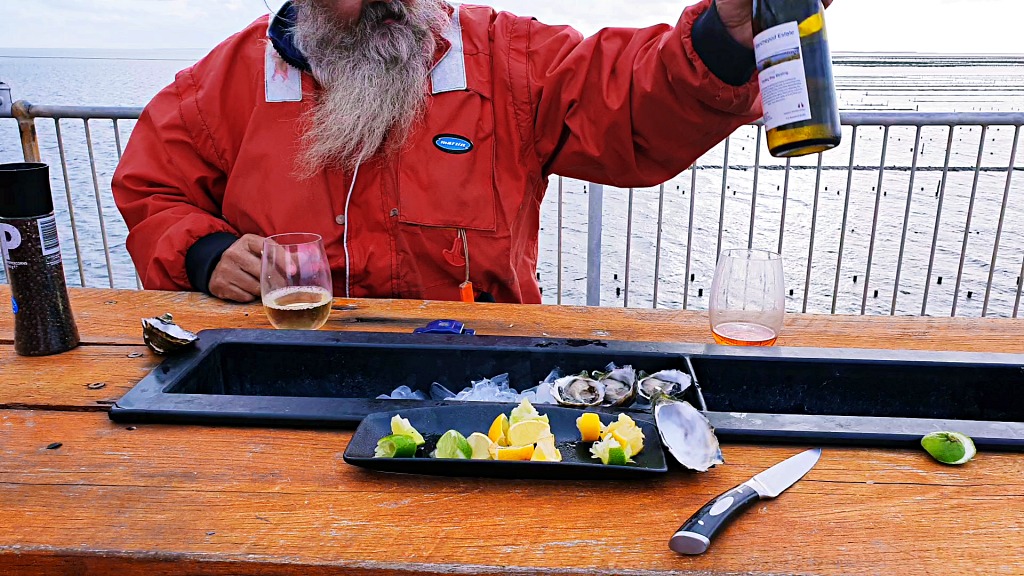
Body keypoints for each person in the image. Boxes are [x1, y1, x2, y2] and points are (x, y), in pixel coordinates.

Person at [112, 0, 792, 304]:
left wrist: (720, 41)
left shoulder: (509, 58)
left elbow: (631, 105)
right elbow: (153, 190)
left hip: (485, 385)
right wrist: (204, 254)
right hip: (293, 371)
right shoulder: (224, 82)